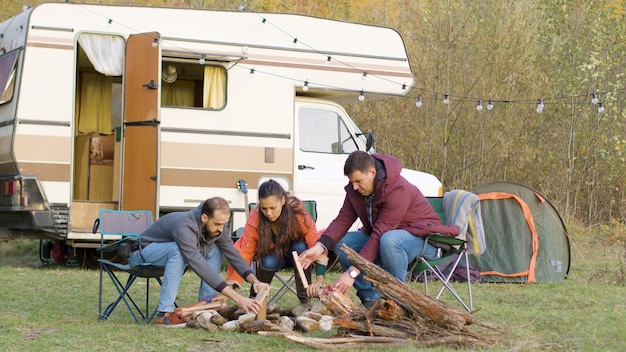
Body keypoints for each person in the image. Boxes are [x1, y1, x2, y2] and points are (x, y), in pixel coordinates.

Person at [298, 151, 459, 308]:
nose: (354, 187)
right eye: (352, 182)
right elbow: (343, 219)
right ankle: (371, 298)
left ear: (372, 172)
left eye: (358, 181)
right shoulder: (357, 190)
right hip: (385, 241)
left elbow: (380, 234)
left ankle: (397, 301)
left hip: (424, 242)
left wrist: (353, 273)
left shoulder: (397, 189)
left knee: (390, 240)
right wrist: (320, 246)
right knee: (343, 244)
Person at [128, 197, 269, 327]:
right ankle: (164, 313)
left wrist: (254, 280)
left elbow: (233, 255)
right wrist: (238, 298)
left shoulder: (217, 228)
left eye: (224, 224)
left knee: (215, 248)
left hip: (168, 257)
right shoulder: (185, 227)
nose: (221, 229)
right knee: (178, 250)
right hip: (142, 253)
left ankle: (206, 304)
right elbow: (199, 265)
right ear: (204, 217)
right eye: (218, 224)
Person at [227, 179, 328, 304]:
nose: (268, 213)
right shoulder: (255, 217)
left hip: (299, 257)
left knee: (300, 246)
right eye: (264, 208)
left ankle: (305, 302)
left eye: (273, 208)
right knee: (269, 261)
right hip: (273, 256)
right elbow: (245, 251)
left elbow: (315, 244)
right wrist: (230, 288)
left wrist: (319, 280)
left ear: (283, 201)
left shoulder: (298, 213)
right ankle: (256, 300)